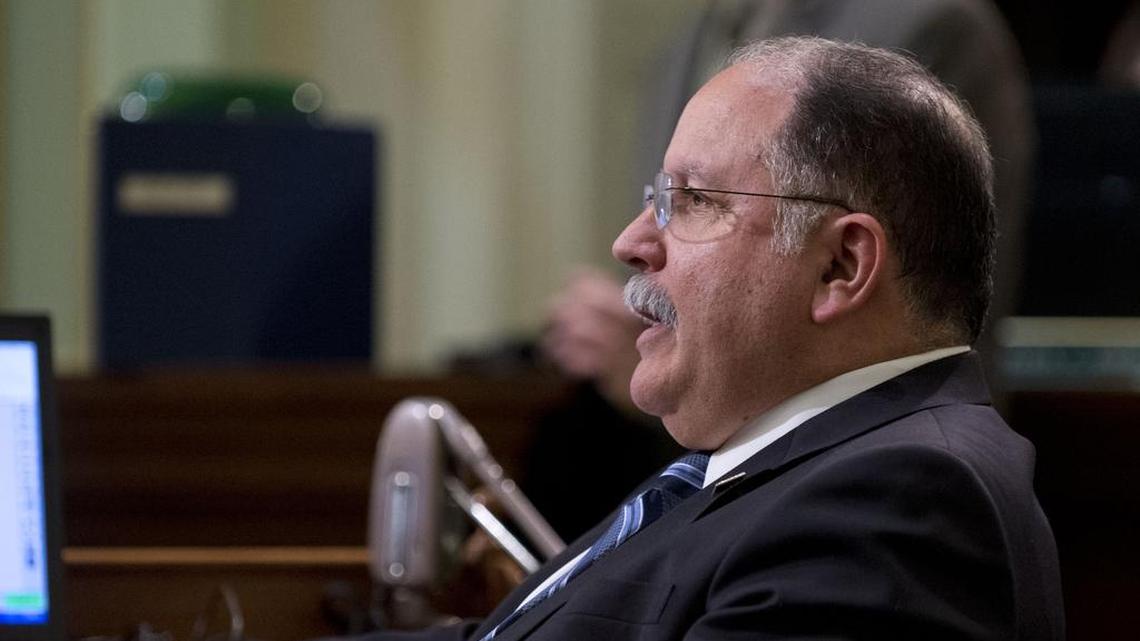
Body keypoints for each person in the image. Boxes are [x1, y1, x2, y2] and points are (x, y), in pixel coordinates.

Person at [356, 37, 1064, 640]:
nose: (631, 243)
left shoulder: (901, 502)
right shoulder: (770, 464)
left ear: (839, 266)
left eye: (691, 199)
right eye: (655, 199)